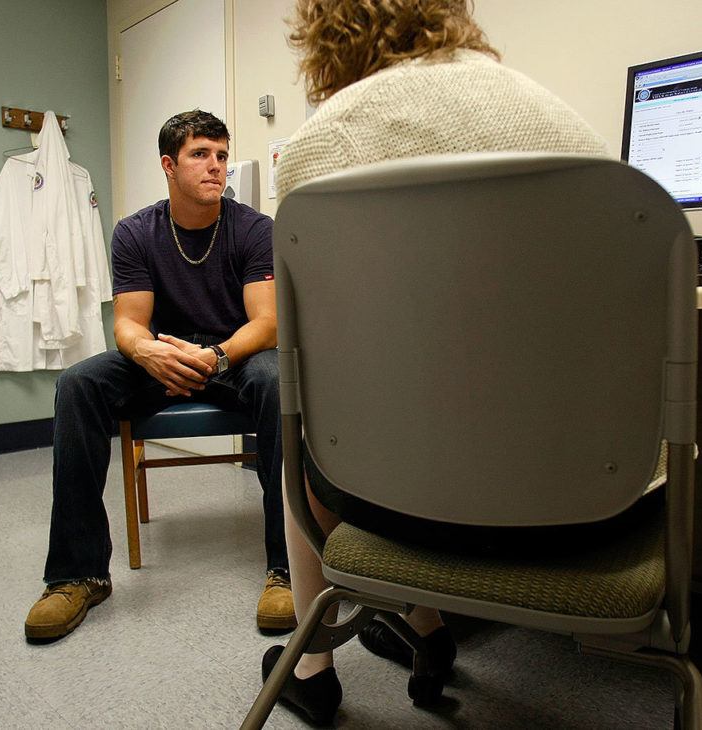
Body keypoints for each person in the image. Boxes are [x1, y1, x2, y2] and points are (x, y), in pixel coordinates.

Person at [260, 0, 609, 723]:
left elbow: (321, 352)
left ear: (325, 36)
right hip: (589, 501)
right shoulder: (568, 125)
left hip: (408, 503)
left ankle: (315, 664)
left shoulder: (321, 147)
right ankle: (427, 629)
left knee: (305, 426)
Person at [24, 110, 295, 641]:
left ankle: (287, 568)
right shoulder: (135, 232)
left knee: (276, 376)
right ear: (169, 165)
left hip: (233, 356)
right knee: (78, 384)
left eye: (221, 155)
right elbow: (128, 323)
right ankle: (76, 575)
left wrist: (214, 357)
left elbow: (267, 323)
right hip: (162, 355)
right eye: (201, 154)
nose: (216, 166)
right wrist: (149, 355)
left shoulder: (255, 229)